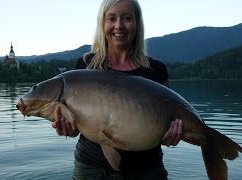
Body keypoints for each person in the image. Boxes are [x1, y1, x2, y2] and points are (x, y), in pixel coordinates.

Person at [52, 0, 183, 179]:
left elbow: (170, 118)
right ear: (102, 24)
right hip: (92, 169)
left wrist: (172, 135)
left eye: (127, 18)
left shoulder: (156, 70)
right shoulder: (85, 67)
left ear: (137, 23)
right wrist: (67, 128)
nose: (119, 26)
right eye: (111, 18)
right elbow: (78, 128)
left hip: (147, 171)